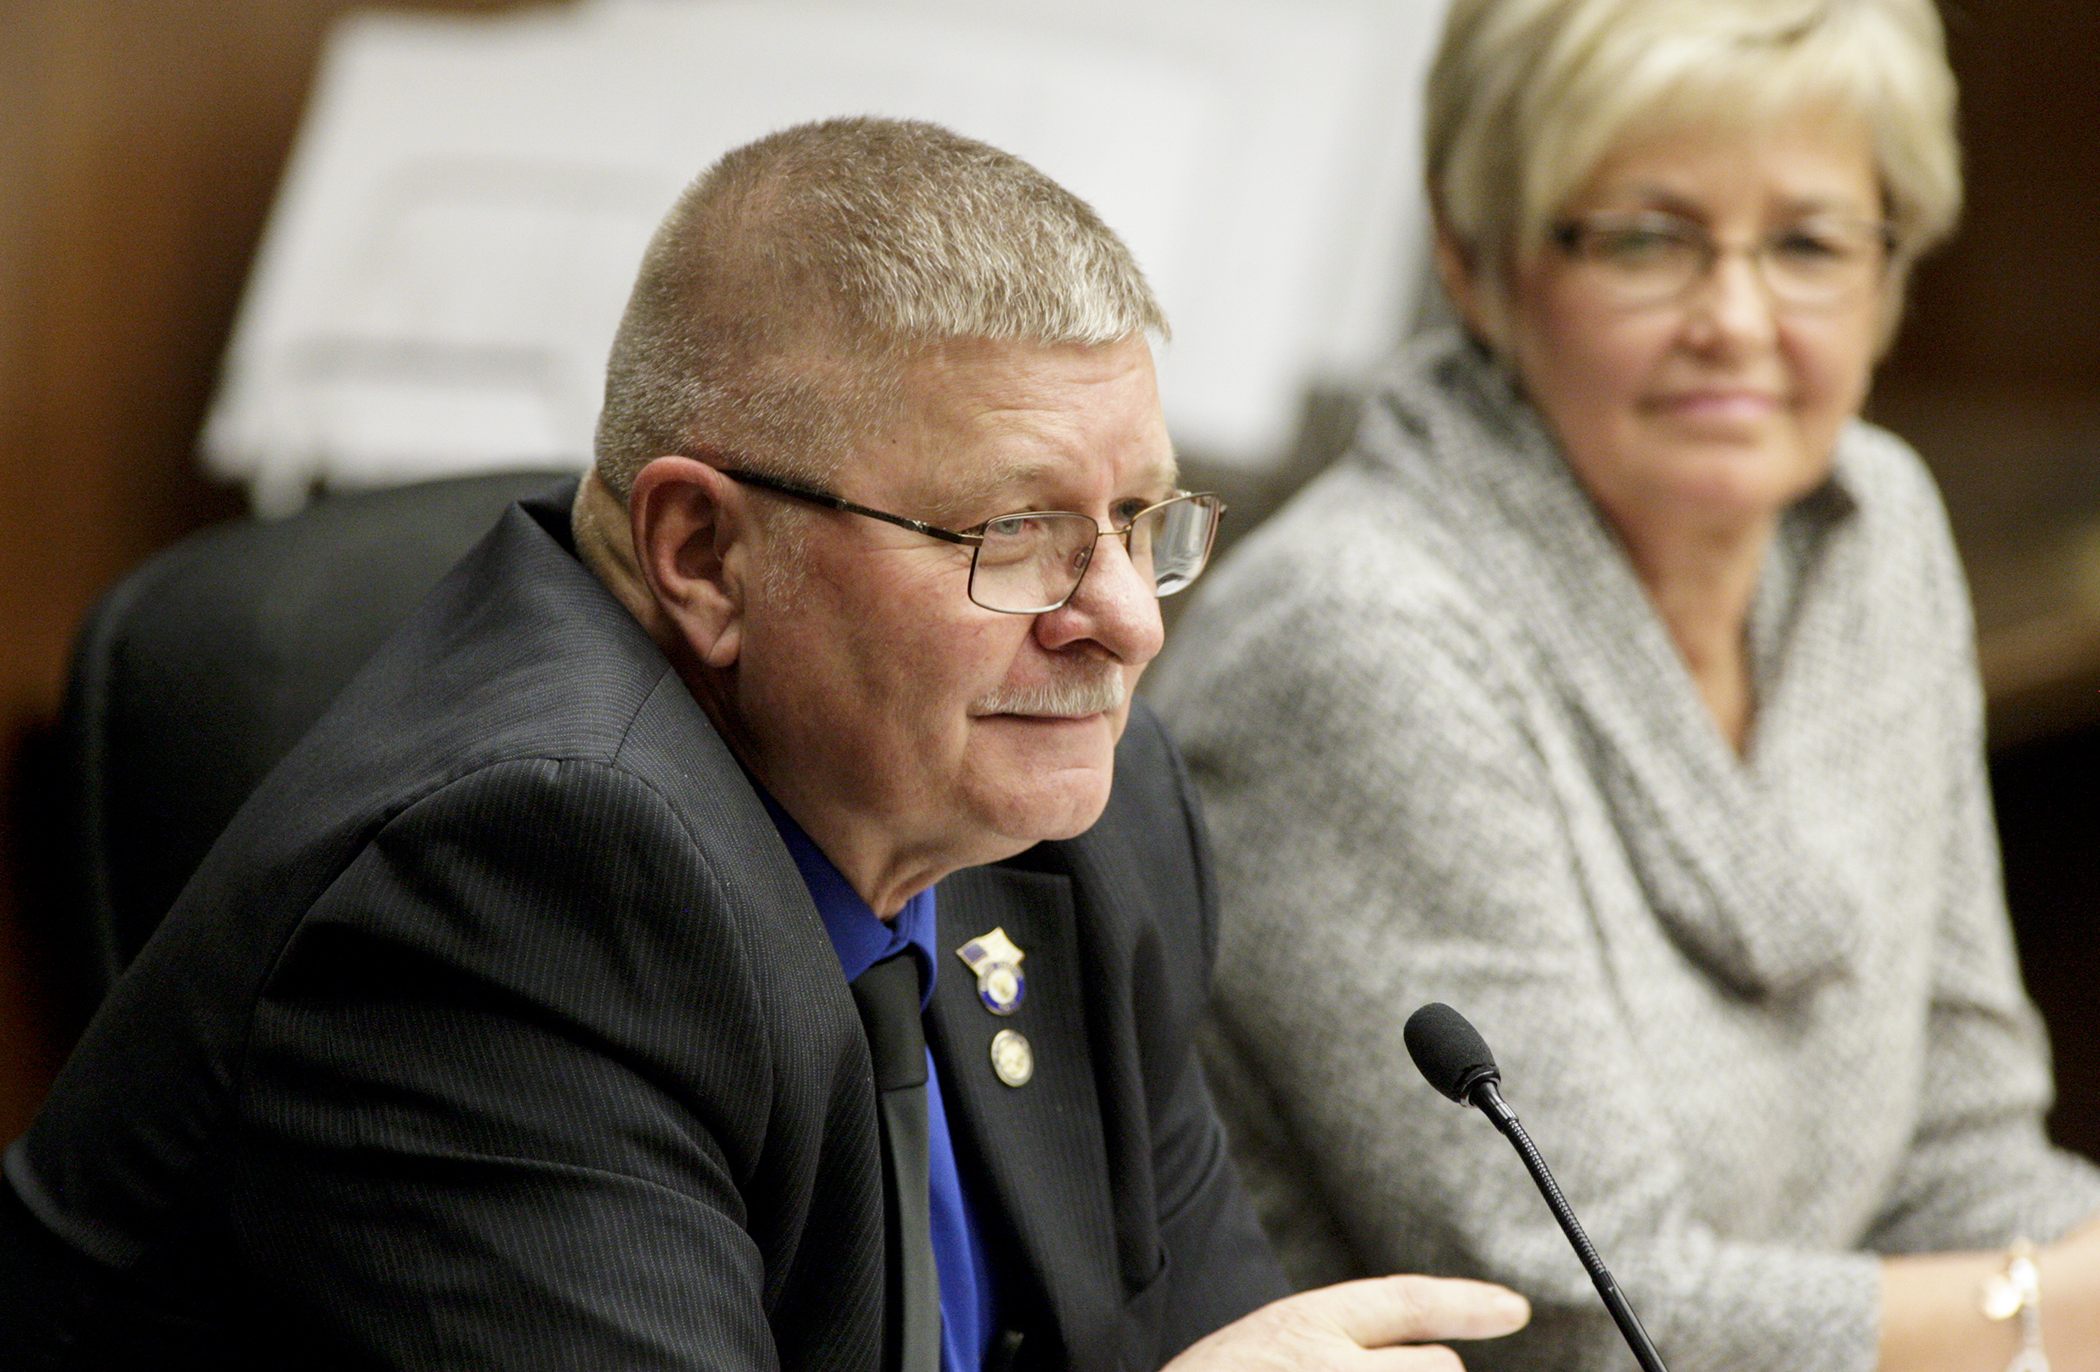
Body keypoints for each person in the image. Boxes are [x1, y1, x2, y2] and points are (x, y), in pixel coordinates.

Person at [0, 118, 1528, 1371]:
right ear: (702, 555)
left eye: (1140, 523)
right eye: (1018, 533)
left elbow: (1187, 1323)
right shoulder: (517, 894)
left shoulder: (1073, 821)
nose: (1124, 621)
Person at [1147, 0, 2100, 1371]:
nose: (1736, 316)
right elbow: (1578, 1312)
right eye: (1650, 241)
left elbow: (1961, 1150)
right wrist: (2031, 1322)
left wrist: (2051, 1295)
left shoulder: (1866, 528)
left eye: (1811, 244)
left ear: (1894, 272)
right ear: (1477, 261)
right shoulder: (1358, 643)